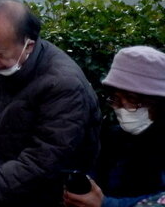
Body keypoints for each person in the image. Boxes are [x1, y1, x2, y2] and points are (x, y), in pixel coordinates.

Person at [0, 0, 101, 206]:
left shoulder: (63, 85)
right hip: (3, 181)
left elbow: (44, 158)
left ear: (28, 45)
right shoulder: (2, 64)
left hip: (43, 194)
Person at [63, 45, 165, 207]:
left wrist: (105, 204)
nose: (122, 108)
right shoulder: (114, 137)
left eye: (132, 99)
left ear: (157, 102)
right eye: (116, 99)